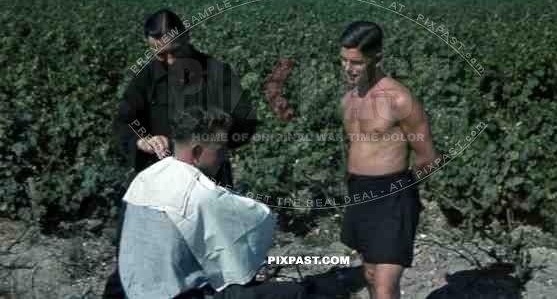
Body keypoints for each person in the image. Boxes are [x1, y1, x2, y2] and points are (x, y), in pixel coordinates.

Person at [118, 106, 366, 299]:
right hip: (183, 295)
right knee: (295, 293)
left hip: (137, 290)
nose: (225, 156)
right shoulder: (199, 193)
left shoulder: (146, 178)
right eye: (220, 149)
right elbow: (259, 218)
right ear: (195, 153)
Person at [103, 8, 258, 299]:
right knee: (142, 255)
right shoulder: (146, 77)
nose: (168, 60)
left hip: (207, 182)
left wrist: (205, 139)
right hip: (157, 183)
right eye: (159, 54)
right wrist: (142, 141)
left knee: (216, 256)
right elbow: (125, 121)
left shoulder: (217, 73)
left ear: (187, 37)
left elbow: (245, 123)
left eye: (174, 51)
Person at [338, 21, 440, 299]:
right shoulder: (349, 99)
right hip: (358, 192)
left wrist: (402, 192)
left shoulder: (399, 99)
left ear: (377, 58)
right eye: (344, 61)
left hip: (393, 195)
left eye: (356, 62)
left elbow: (427, 157)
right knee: (370, 276)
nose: (348, 68)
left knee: (384, 285)